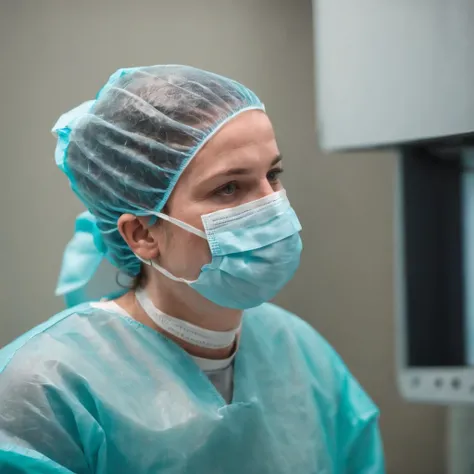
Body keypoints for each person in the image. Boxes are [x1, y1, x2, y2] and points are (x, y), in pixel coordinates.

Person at [0, 65, 385, 473]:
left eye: (272, 175)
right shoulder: (45, 390)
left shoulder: (301, 354)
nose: (272, 205)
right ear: (141, 234)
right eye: (229, 188)